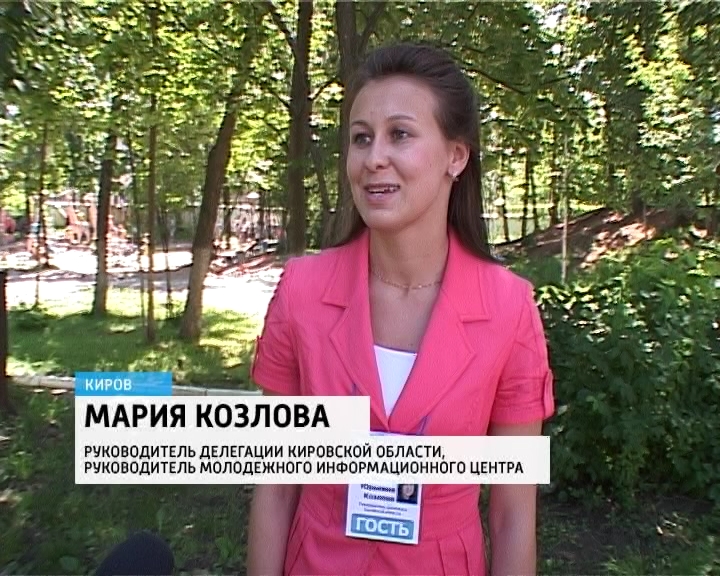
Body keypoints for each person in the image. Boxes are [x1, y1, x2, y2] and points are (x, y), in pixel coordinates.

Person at [248, 42, 554, 576]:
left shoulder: (510, 309)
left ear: (456, 156)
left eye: (401, 134)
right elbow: (275, 487)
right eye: (361, 138)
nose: (374, 158)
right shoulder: (300, 293)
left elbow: (512, 513)